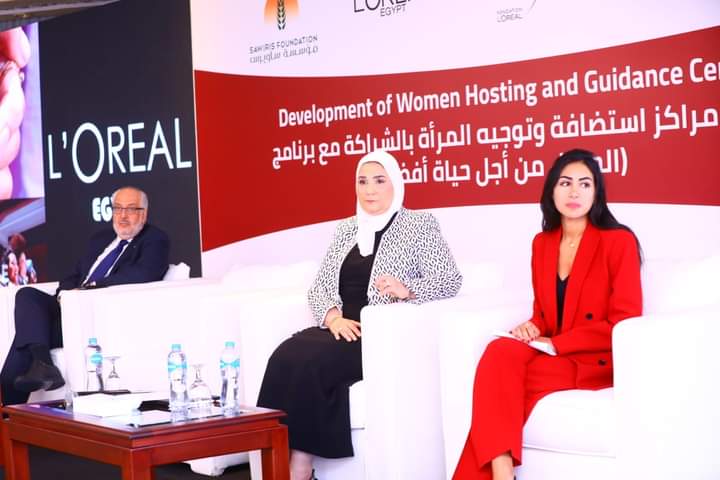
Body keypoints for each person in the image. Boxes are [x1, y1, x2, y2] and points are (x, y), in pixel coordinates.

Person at [257, 149, 463, 480]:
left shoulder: (419, 225)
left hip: (378, 332)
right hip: (340, 327)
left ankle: (300, 466)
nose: (370, 190)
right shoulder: (346, 229)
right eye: (362, 182)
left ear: (395, 184)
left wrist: (407, 289)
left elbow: (450, 280)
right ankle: (274, 456)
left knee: (312, 364)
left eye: (379, 181)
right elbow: (319, 287)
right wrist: (333, 318)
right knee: (284, 355)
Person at [453, 149, 643, 480]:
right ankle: (503, 472)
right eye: (565, 183)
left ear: (596, 192)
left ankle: (500, 474)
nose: (574, 192)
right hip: (554, 349)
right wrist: (532, 327)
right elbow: (544, 313)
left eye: (585, 184)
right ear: (551, 190)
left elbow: (624, 322)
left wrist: (557, 343)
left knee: (503, 392)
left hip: (594, 358)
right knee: (498, 351)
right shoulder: (542, 243)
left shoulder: (618, 241)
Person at [0, 186, 170, 405]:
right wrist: (64, 293)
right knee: (27, 294)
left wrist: (91, 288)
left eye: (130, 209)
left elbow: (143, 274)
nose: (123, 216)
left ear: (143, 214)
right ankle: (42, 363)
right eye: (117, 209)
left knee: (19, 351)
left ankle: (14, 405)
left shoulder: (155, 240)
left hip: (92, 312)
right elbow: (75, 274)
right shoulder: (101, 239)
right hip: (68, 304)